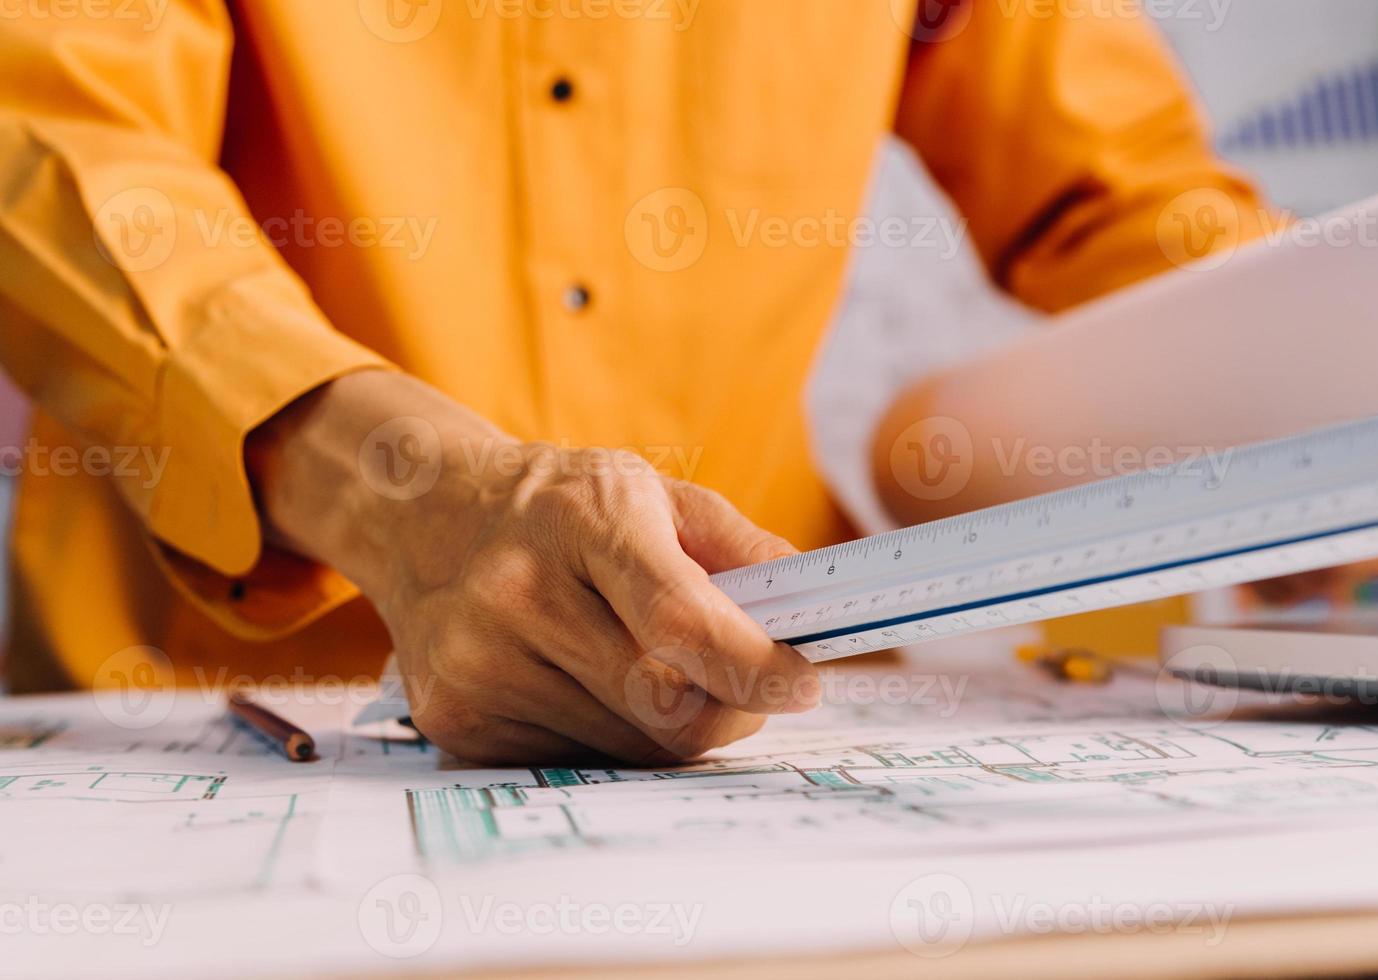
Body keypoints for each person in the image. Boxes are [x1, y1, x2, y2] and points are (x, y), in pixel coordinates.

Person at [0, 1, 1278, 763]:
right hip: (236, 708)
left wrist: (1362, 364)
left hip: (777, 706)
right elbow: (56, 139)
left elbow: (1126, 192)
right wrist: (404, 493)